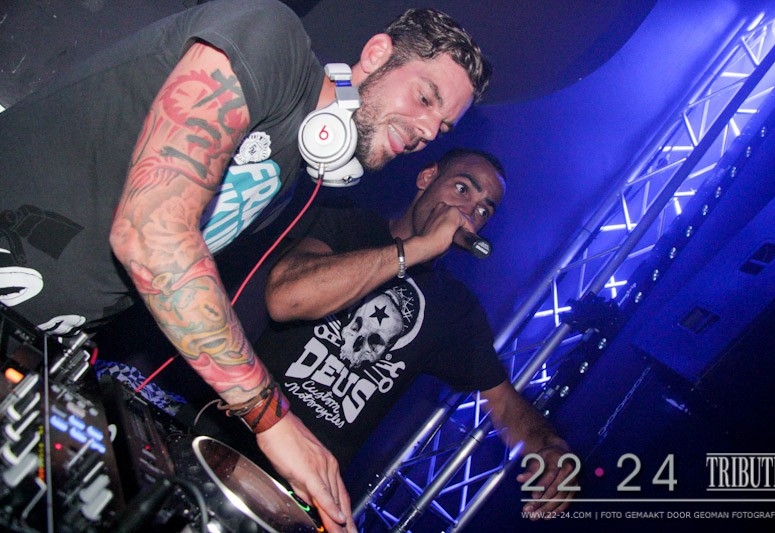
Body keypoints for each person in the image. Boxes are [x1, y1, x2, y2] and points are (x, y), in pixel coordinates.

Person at [0, 2, 491, 531]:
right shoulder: (270, 36)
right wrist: (269, 416)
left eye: (442, 126)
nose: (426, 132)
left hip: (35, 343)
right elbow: (150, 231)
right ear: (375, 55)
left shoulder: (286, 184)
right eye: (424, 98)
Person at [257, 148, 575, 520]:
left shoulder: (453, 307)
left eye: (483, 210)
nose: (467, 213)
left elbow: (503, 402)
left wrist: (549, 445)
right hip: (233, 433)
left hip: (307, 493)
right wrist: (416, 250)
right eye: (462, 189)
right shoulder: (348, 222)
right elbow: (285, 298)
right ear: (427, 178)